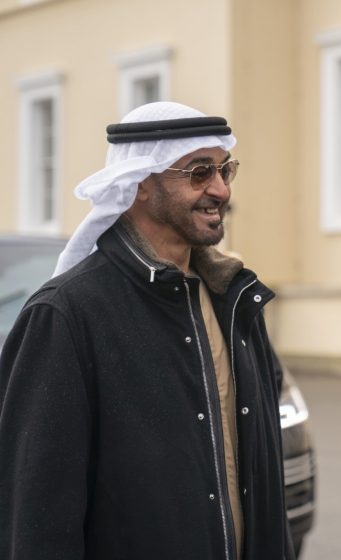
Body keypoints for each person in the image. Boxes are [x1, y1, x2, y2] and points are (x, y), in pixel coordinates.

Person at [0, 102, 295, 560]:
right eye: (199, 172)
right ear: (139, 185)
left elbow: (261, 475)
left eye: (225, 170)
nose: (220, 189)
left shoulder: (235, 301)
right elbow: (35, 514)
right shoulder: (65, 316)